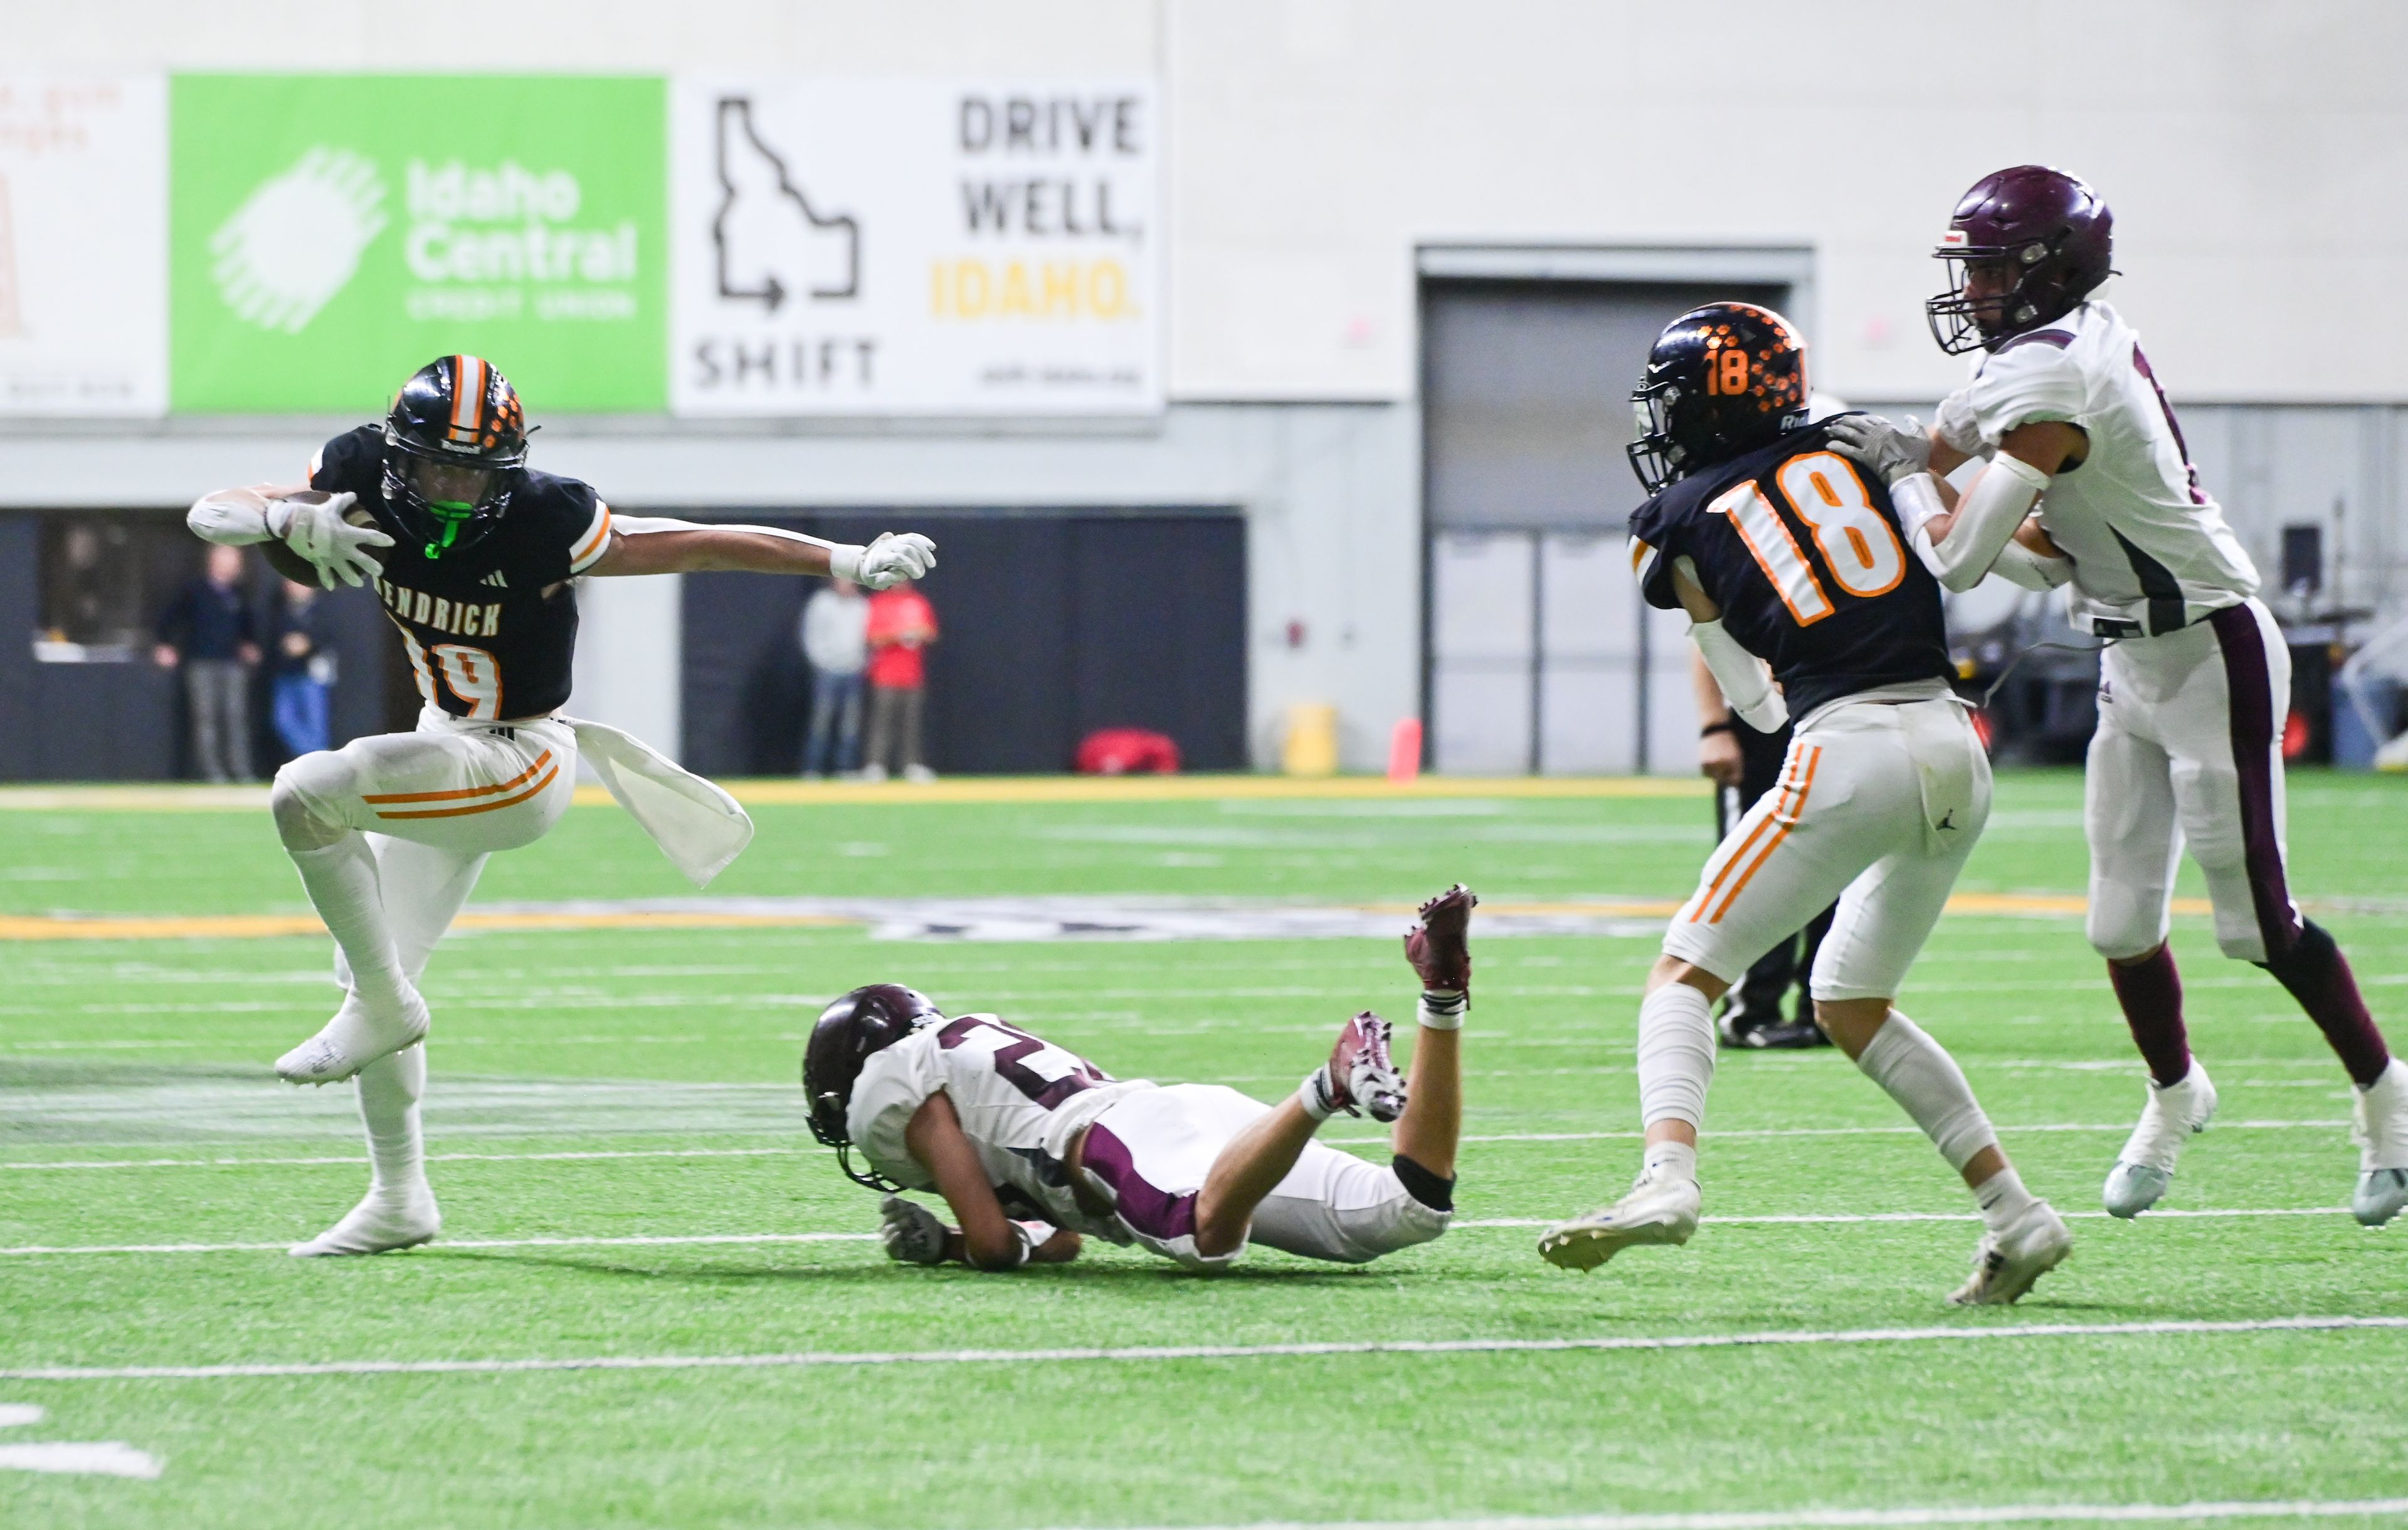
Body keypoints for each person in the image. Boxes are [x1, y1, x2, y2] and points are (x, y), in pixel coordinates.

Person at [184, 353, 937, 1257]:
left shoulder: (545, 518)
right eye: (438, 468)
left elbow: (695, 542)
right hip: (443, 736)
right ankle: (399, 1196)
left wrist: (845, 557)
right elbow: (209, 509)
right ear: (396, 455)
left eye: (476, 472)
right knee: (367, 970)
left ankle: (385, 1009)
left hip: (520, 759)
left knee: (307, 791)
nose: (457, 491)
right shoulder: (355, 473)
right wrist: (287, 521)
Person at [1861, 164, 2406, 1225]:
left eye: (1984, 270)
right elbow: (1965, 477)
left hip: (2212, 652)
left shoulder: (2057, 380)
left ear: (2044, 271)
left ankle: (2388, 1098)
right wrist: (1884, 451)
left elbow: (1963, 557)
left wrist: (1896, 480)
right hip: (2128, 655)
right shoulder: (2044, 352)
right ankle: (2174, 1094)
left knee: (2257, 925)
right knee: (2117, 924)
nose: (1967, 291)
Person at [1536, 303, 2071, 1305]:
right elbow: (2033, 557)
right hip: (1957, 747)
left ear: (1703, 402)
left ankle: (1668, 1178)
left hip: (1849, 747)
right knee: (1851, 1003)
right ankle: (2017, 1216)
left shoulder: (1674, 521)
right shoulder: (1865, 450)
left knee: (1683, 975)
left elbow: (1755, 703)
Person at [804, 886, 1476, 1274]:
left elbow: (993, 1242)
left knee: (1202, 1234)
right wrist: (946, 1240)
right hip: (1179, 1121)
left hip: (1112, 1142)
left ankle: (1327, 1087)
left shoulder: (894, 1089)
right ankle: (1442, 994)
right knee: (1410, 1210)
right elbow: (1058, 1238)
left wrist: (957, 1247)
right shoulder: (957, 1050)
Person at [1693, 649, 1831, 1050]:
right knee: (1754, 870)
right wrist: (1713, 726)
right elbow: (1705, 633)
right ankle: (1752, 1008)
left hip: (1835, 716)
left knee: (1840, 859)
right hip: (1759, 722)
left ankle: (1826, 1004)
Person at [153, 544, 261, 782]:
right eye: (226, 558)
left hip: (232, 664)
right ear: (213, 561)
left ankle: (241, 770)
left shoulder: (239, 593)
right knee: (206, 718)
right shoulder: (195, 590)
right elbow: (169, 618)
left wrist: (249, 645)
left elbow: (248, 626)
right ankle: (213, 773)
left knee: (235, 717)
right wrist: (164, 645)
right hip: (201, 662)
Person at [862, 582, 937, 783]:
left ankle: (911, 765)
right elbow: (872, 638)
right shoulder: (879, 603)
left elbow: (931, 632)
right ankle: (876, 765)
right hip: (885, 675)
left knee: (912, 723)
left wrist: (918, 634)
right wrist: (898, 636)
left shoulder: (918, 602)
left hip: (913, 674)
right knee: (882, 722)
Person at [799, 578, 869, 777]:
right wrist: (822, 662)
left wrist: (861, 663)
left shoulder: (861, 605)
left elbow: (867, 638)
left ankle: (845, 768)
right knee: (821, 720)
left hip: (854, 671)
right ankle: (812, 769)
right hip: (828, 671)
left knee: (850, 723)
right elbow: (811, 636)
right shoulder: (822, 603)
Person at [268, 579, 339, 761]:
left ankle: (319, 761)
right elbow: (270, 639)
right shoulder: (279, 610)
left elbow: (329, 637)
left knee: (316, 725)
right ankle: (317, 757)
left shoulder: (322, 610)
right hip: (286, 674)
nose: (297, 588)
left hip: (312, 676)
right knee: (283, 721)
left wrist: (307, 644)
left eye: (301, 584)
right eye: (292, 583)